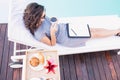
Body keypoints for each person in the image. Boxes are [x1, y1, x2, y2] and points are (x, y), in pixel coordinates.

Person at [23, 2, 120, 47]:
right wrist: (52, 32)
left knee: (92, 29)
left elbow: (50, 22)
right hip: (67, 38)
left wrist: (55, 22)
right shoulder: (38, 34)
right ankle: (117, 30)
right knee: (93, 34)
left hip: (66, 27)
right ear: (36, 17)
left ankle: (115, 31)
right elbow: (52, 44)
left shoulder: (40, 18)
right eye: (43, 16)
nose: (45, 18)